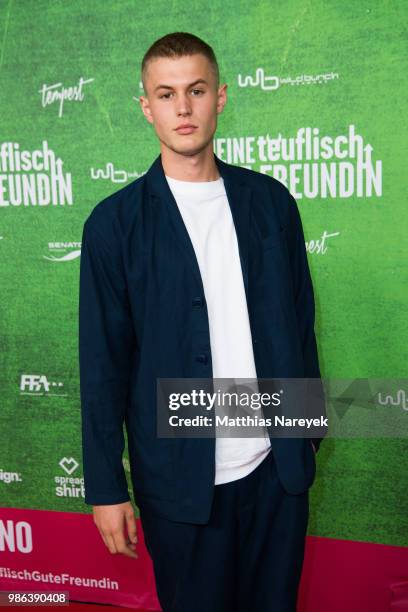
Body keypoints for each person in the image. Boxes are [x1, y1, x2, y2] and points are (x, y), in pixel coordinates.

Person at [78, 31, 326, 612]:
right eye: (166, 94)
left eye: (196, 90)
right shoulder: (114, 226)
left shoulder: (272, 203)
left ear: (221, 97)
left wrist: (306, 434)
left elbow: (300, 323)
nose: (182, 108)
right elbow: (103, 365)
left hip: (277, 475)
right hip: (181, 489)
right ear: (147, 107)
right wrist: (107, 487)